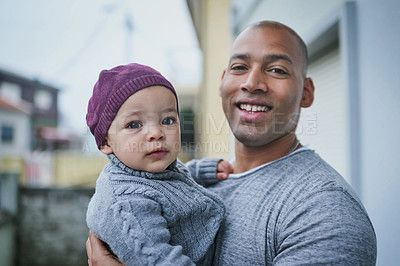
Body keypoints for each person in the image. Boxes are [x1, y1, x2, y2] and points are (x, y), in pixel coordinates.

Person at [86, 21, 377, 265]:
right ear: (223, 81)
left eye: (277, 70)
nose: (252, 82)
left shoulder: (323, 211)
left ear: (307, 92)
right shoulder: (182, 183)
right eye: (239, 67)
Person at [85, 63, 233, 265]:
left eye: (168, 120)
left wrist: (204, 170)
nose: (156, 132)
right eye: (134, 124)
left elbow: (176, 179)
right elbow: (161, 260)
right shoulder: (127, 205)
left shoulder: (149, 167)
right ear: (105, 142)